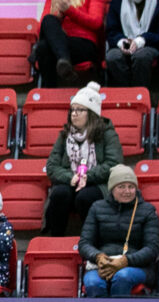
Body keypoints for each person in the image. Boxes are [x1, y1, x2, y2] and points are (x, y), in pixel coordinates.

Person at [44, 82, 123, 237]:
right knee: (59, 193)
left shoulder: (107, 133)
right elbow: (52, 166)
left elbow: (114, 164)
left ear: (91, 113)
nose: (74, 114)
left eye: (80, 110)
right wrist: (71, 177)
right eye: (72, 110)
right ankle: (55, 238)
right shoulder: (65, 134)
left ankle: (92, 239)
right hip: (71, 181)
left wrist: (89, 177)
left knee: (85, 197)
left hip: (97, 183)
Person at [78, 164, 159, 297]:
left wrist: (125, 261)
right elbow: (84, 244)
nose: (127, 191)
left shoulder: (148, 211)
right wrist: (98, 257)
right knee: (93, 282)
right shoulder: (97, 208)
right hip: (103, 264)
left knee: (123, 277)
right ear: (112, 189)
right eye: (121, 187)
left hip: (137, 266)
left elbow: (152, 249)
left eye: (131, 187)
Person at [34, 0, 108, 86]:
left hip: (84, 44)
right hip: (59, 43)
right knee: (47, 22)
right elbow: (41, 30)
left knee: (44, 48)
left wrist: (69, 10)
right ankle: (64, 62)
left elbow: (96, 23)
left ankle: (63, 64)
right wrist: (57, 16)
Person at [106, 0, 159, 87]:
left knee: (141, 57)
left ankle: (140, 94)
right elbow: (111, 31)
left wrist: (140, 41)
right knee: (112, 57)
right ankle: (125, 93)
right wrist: (122, 42)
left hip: (150, 44)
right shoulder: (117, 2)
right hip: (123, 43)